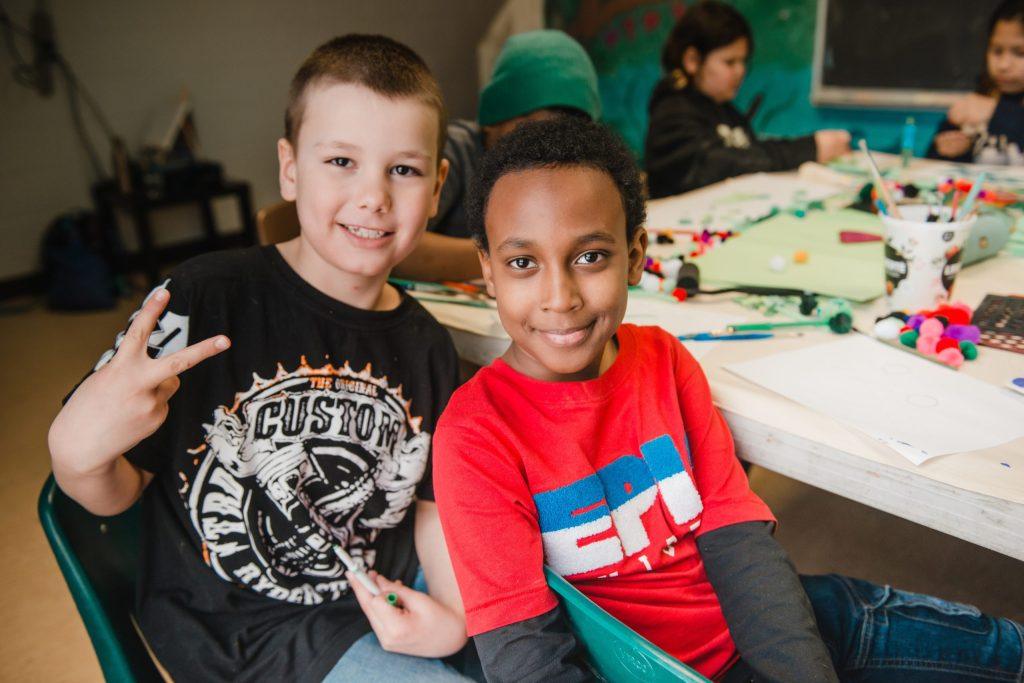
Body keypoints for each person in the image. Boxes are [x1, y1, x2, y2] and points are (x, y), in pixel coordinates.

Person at [432, 117, 1024, 682]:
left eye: (590, 257)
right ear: (488, 271)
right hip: (639, 669)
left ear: (636, 255)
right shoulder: (474, 434)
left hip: (762, 625)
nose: (559, 297)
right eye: (522, 263)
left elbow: (740, 544)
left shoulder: (664, 360)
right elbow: (526, 660)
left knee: (998, 650)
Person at [48, 35, 474, 682]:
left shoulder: (429, 347)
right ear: (290, 168)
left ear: (437, 186)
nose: (374, 196)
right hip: (242, 629)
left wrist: (454, 614)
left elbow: (431, 507)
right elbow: (114, 495)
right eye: (340, 161)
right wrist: (76, 451)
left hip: (379, 587)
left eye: (404, 170)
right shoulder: (202, 299)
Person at [393, 29, 600, 283]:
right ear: (493, 118)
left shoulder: (562, 172)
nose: (546, 146)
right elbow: (398, 248)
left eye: (566, 134)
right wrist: (515, 257)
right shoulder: (455, 152)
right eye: (530, 127)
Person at [644, 0, 850, 199]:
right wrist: (810, 148)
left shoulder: (725, 109)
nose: (740, 71)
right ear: (692, 60)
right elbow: (724, 164)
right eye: (729, 62)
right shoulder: (671, 112)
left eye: (743, 61)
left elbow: (753, 151)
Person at [929, 0, 1024, 165]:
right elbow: (930, 162)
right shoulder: (982, 98)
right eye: (997, 51)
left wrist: (999, 113)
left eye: (1020, 53)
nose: (1003, 65)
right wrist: (953, 151)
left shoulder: (990, 108)